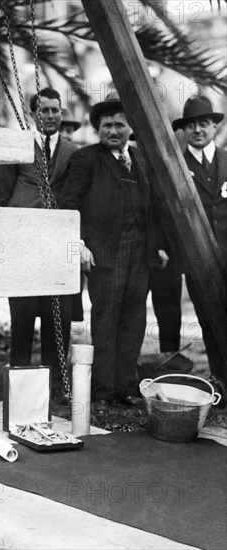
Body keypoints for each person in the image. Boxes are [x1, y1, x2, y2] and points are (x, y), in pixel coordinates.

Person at [62, 95, 167, 406]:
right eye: (106, 125)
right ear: (97, 128)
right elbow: (69, 205)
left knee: (134, 322)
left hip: (140, 256)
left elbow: (155, 207)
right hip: (105, 256)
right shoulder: (85, 160)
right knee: (106, 322)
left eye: (119, 124)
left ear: (129, 127)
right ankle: (104, 391)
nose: (113, 130)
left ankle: (125, 387)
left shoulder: (142, 159)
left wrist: (158, 245)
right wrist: (78, 245)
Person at [0, 87, 77, 401]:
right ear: (33, 113)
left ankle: (56, 386)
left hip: (57, 245)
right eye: (44, 110)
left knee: (59, 315)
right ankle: (19, 385)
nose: (51, 116)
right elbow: (1, 194)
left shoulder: (72, 151)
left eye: (56, 110)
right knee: (23, 315)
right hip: (22, 242)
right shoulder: (17, 146)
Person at [172, 95, 227, 391]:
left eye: (203, 123)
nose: (197, 130)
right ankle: (222, 381)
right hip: (197, 259)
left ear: (214, 126)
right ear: (184, 131)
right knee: (209, 320)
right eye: (191, 125)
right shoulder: (176, 167)